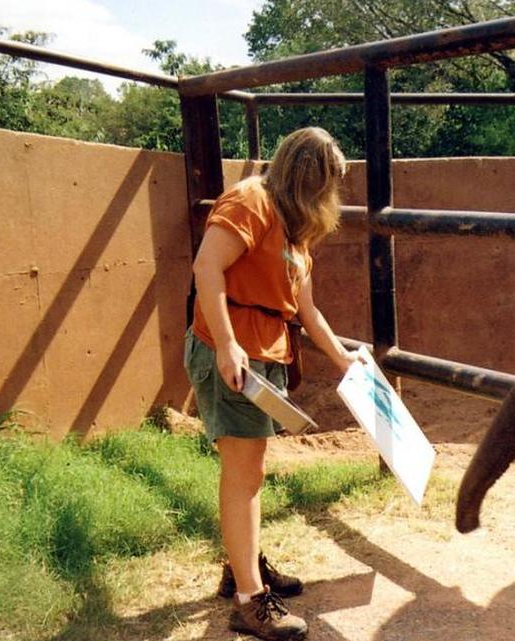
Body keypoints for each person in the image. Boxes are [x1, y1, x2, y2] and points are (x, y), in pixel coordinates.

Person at [184, 126, 359, 641]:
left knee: (250, 469)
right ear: (309, 176)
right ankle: (249, 601)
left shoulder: (296, 227)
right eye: (328, 183)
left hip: (267, 353)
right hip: (232, 351)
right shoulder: (251, 201)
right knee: (245, 473)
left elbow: (307, 310)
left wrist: (344, 359)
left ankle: (242, 567)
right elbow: (206, 267)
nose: (332, 196)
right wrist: (228, 343)